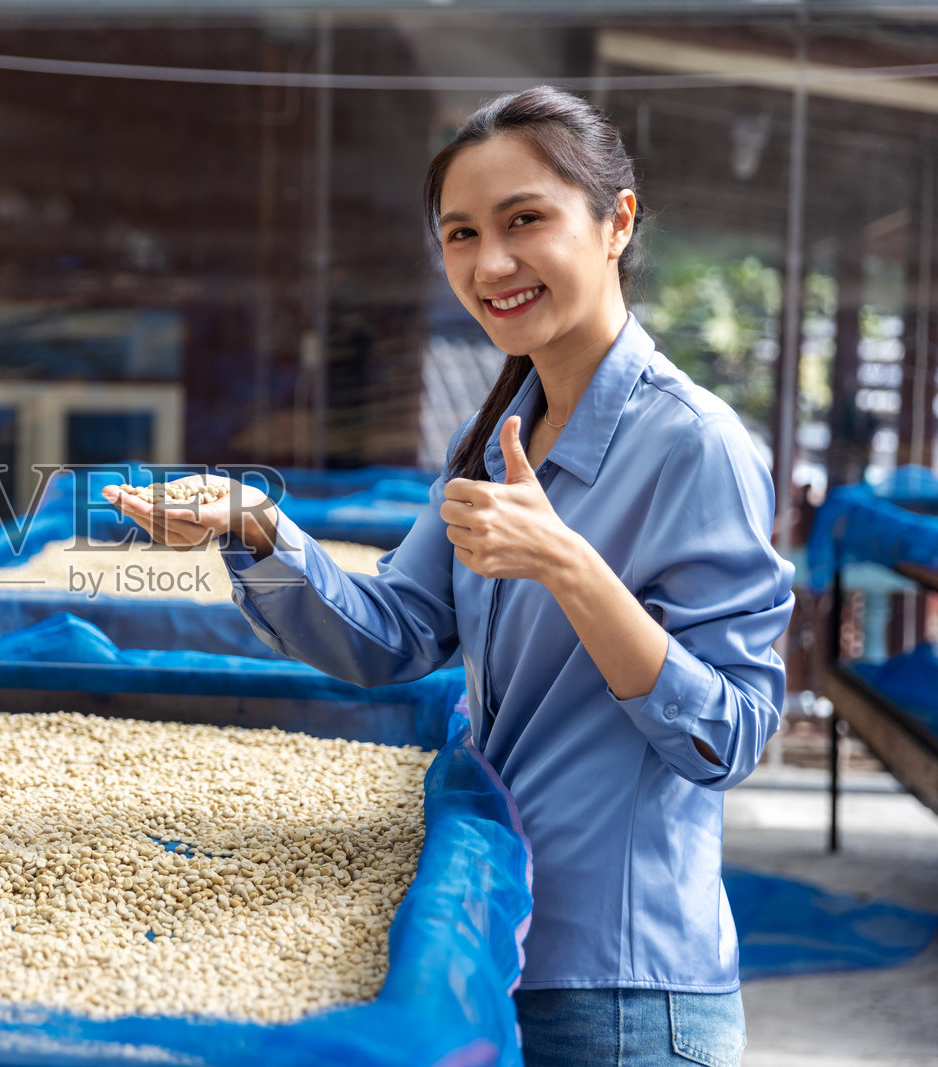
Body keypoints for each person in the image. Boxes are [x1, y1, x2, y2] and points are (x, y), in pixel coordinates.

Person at [104, 85, 793, 1067]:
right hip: (494, 945)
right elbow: (387, 635)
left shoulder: (696, 446)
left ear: (616, 222)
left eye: (525, 221)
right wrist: (257, 530)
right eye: (461, 233)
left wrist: (566, 562)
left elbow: (726, 736)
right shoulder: (497, 434)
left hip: (624, 988)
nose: (491, 263)